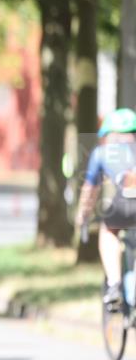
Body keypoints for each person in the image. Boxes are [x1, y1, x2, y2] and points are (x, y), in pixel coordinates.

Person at [75, 108, 136, 309]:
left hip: (128, 200)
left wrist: (82, 217)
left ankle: (114, 286)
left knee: (108, 231)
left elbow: (90, 190)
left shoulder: (102, 152)